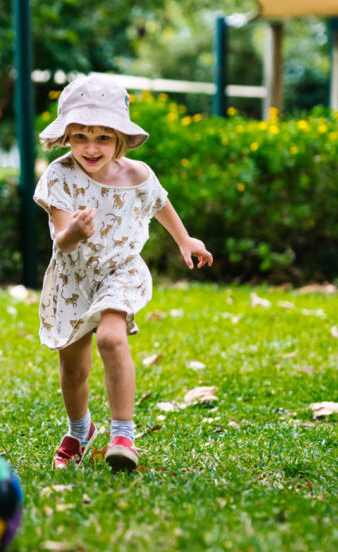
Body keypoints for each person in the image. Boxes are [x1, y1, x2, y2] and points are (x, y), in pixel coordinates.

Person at [33, 74, 213, 472]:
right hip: (73, 278)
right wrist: (74, 232)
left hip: (121, 271)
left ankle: (123, 434)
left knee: (113, 338)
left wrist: (185, 241)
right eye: (80, 136)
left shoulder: (138, 175)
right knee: (73, 371)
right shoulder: (59, 177)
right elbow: (62, 240)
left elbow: (161, 203)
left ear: (120, 137)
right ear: (66, 137)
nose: (91, 148)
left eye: (102, 137)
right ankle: (81, 430)